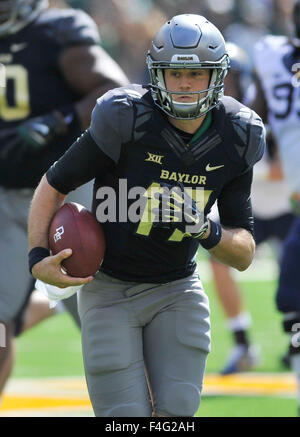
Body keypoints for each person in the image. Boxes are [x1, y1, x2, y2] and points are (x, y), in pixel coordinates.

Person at [28, 14, 265, 417]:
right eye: (175, 73)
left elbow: (243, 253)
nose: (186, 83)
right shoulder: (126, 117)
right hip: (109, 289)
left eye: (197, 73)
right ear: (158, 74)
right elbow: (53, 184)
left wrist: (204, 228)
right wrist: (37, 259)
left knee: (176, 415)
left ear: (217, 76)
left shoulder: (237, 134)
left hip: (177, 288)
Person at [0, 0, 128, 397]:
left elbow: (114, 91)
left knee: (103, 319)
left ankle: (143, 415)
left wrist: (61, 119)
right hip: (5, 197)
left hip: (65, 197)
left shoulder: (57, 30)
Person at [208, 42, 295, 374]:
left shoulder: (266, 102)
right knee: (216, 255)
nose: (222, 83)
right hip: (248, 206)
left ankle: (295, 341)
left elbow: (284, 166)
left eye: (227, 76)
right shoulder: (208, 114)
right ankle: (242, 341)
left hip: (286, 203)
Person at [251, 0, 300, 414]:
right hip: (294, 197)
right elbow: (257, 120)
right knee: (292, 297)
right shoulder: (275, 58)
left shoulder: (273, 56)